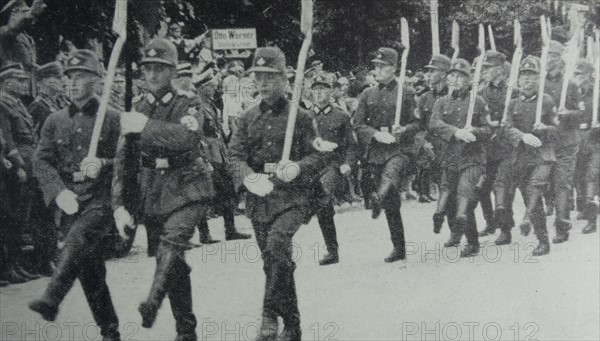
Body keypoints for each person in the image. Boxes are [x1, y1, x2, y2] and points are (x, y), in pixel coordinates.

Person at [112, 38, 214, 341]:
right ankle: (186, 329)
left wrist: (145, 127)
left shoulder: (189, 102)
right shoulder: (138, 107)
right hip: (154, 192)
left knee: (172, 243)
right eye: (148, 69)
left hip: (188, 187)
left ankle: (152, 302)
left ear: (171, 71)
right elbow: (124, 160)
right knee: (172, 263)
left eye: (159, 69)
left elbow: (186, 138)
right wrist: (119, 205)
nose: (153, 75)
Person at [228, 47, 330, 340]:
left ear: (285, 80)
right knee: (274, 260)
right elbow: (234, 157)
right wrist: (248, 178)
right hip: (261, 197)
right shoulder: (247, 119)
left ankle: (268, 314)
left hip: (294, 197)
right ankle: (294, 324)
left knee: (277, 244)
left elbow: (318, 156)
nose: (263, 83)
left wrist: (296, 168)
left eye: (270, 77)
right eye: (258, 77)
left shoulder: (300, 116)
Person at [28, 49, 122, 340]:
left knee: (76, 239)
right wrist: (57, 192)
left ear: (96, 80)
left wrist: (104, 163)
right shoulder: (54, 120)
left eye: (80, 76)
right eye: (69, 76)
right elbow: (41, 160)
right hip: (70, 198)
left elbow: (130, 160)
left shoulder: (113, 118)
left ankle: (52, 298)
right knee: (89, 269)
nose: (72, 82)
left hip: (101, 198)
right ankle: (110, 330)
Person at [353, 47, 419, 262]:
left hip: (399, 150)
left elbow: (418, 122)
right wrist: (374, 135)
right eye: (376, 66)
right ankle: (399, 247)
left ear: (394, 68)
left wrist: (404, 129)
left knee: (390, 175)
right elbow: (358, 124)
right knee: (392, 203)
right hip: (377, 152)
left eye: (383, 66)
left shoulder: (406, 93)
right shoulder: (367, 94)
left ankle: (378, 198)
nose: (378, 70)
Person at [429, 58, 491, 257]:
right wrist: (456, 132)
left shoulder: (478, 101)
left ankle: (472, 243)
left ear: (468, 79)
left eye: (460, 76)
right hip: (450, 158)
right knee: (449, 199)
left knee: (465, 193)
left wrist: (474, 130)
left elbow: (489, 129)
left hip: (472, 157)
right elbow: (434, 124)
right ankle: (452, 226)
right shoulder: (441, 102)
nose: (455, 79)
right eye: (452, 75)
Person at [499, 55, 558, 256]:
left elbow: (557, 129)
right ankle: (543, 240)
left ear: (539, 79)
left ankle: (530, 225)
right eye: (524, 76)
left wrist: (544, 128)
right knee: (530, 201)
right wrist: (523, 136)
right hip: (521, 157)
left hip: (543, 156)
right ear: (518, 79)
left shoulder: (547, 101)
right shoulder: (513, 103)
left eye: (532, 76)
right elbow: (506, 128)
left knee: (534, 192)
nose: (527, 81)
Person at [309, 71, 356, 265]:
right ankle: (332, 250)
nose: (318, 93)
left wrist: (348, 163)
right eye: (315, 90)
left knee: (323, 197)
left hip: (332, 164)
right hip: (311, 166)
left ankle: (331, 250)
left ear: (330, 92)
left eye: (323, 89)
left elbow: (351, 145)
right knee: (321, 207)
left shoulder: (341, 116)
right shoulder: (305, 116)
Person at [0, 63, 41, 282]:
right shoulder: (2, 105)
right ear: (7, 83)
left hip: (29, 162)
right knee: (11, 217)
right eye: (19, 80)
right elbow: (7, 139)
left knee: (21, 218)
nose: (24, 84)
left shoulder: (17, 104)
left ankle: (14, 266)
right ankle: (7, 267)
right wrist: (18, 165)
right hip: (17, 167)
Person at [543, 40, 583, 243]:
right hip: (545, 141)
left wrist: (567, 113)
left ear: (560, 59)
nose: (548, 59)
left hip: (566, 141)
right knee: (545, 183)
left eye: (552, 56)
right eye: (546, 55)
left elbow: (582, 114)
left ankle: (561, 225)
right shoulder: (540, 82)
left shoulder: (570, 84)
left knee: (561, 184)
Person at [477, 50, 510, 237]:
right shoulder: (481, 92)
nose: (484, 71)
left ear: (499, 69)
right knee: (482, 188)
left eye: (488, 67)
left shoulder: (512, 91)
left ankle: (505, 229)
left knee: (503, 188)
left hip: (506, 147)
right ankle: (490, 223)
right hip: (487, 147)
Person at [420, 54, 451, 219]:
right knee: (442, 187)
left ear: (444, 74)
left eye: (433, 71)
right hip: (432, 151)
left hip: (451, 149)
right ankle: (453, 227)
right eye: (429, 71)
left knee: (450, 189)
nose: (429, 74)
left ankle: (456, 229)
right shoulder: (425, 97)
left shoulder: (454, 96)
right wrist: (424, 143)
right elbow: (419, 125)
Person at [572, 59, 598, 234]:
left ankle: (591, 216)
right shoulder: (574, 93)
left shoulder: (597, 93)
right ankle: (584, 206)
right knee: (579, 175)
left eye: (579, 74)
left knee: (591, 175)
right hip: (578, 139)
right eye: (575, 74)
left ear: (589, 75)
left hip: (596, 140)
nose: (576, 77)